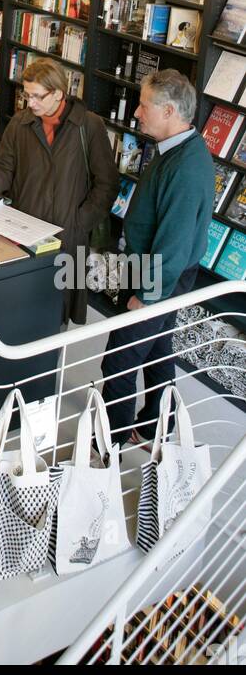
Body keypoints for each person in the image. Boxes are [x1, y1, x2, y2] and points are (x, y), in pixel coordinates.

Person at [101, 69, 213, 444]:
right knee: (158, 353)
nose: (136, 112)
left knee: (118, 361)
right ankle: (154, 426)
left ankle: (106, 446)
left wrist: (146, 296)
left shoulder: (185, 166)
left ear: (168, 111)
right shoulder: (176, 150)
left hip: (159, 278)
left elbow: (174, 242)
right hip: (157, 272)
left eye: (144, 105)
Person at [0, 57, 119, 324]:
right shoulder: (20, 123)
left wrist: (80, 221)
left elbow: (107, 183)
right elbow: (5, 165)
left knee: (58, 310)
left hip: (68, 233)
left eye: (37, 96)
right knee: (23, 302)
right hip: (24, 227)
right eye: (27, 95)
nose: (31, 103)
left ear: (58, 93)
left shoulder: (89, 126)